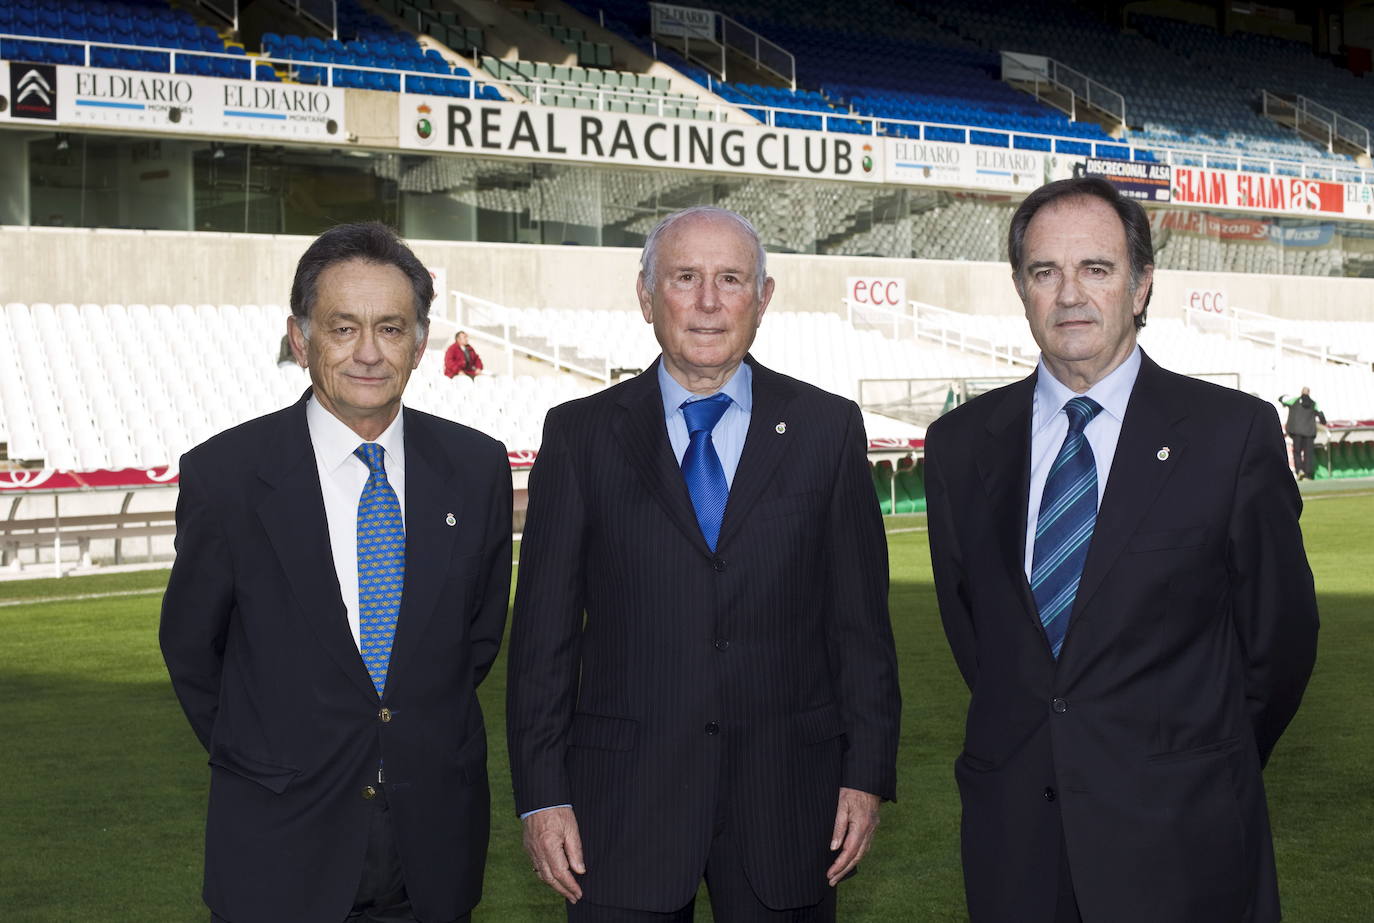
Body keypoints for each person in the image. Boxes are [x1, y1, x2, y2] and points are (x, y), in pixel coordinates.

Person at [923, 177, 1319, 923]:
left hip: (1183, 839)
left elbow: (1281, 643)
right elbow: (982, 639)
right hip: (1018, 845)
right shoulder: (958, 446)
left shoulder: (1229, 435)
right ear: (1021, 289)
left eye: (1096, 269)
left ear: (1141, 286)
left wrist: (1197, 761)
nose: (1070, 293)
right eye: (1046, 272)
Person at [506, 205, 900, 921]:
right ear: (646, 294)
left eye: (730, 279)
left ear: (764, 298)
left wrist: (866, 774)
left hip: (789, 802)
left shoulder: (827, 429)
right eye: (685, 278)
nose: (709, 302)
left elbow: (861, 629)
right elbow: (542, 643)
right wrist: (542, 793)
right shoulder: (579, 435)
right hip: (620, 810)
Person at [160, 222, 513, 923]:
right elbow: (194, 654)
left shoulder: (476, 468)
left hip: (433, 859)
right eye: (342, 327)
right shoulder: (226, 476)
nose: (368, 353)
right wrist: (278, 756)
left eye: (390, 327)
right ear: (300, 339)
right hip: (278, 856)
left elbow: (473, 643)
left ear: (420, 340)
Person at [1279, 387, 1327, 479]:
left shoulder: (1294, 401)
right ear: (1309, 393)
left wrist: (1284, 396)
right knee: (1308, 453)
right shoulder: (1314, 403)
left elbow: (1281, 400)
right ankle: (1308, 474)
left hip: (1297, 431)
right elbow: (1321, 415)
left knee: (1297, 452)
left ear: (1301, 392)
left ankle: (1299, 471)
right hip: (1309, 432)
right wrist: (1324, 423)